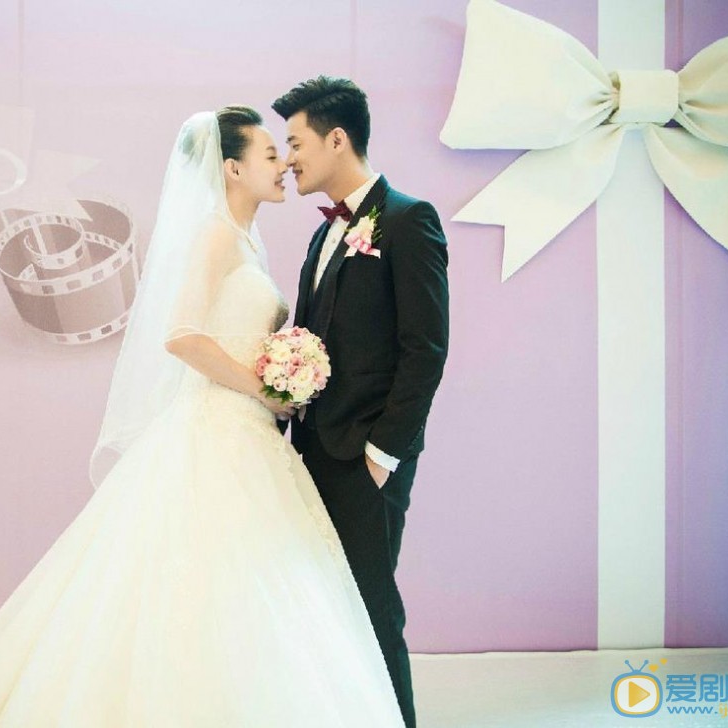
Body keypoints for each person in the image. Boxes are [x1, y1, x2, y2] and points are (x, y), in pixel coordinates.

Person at [0, 107, 406, 727]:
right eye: (271, 153)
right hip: (219, 426)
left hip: (248, 433)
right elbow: (182, 335)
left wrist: (282, 375)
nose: (284, 163)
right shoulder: (215, 233)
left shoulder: (246, 239)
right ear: (233, 169)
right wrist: (262, 389)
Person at [272, 76, 450, 728]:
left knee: (372, 609)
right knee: (323, 610)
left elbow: (425, 349)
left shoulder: (407, 219)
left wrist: (382, 455)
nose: (288, 158)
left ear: (337, 139)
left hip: (366, 459)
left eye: (296, 142)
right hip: (313, 452)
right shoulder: (322, 234)